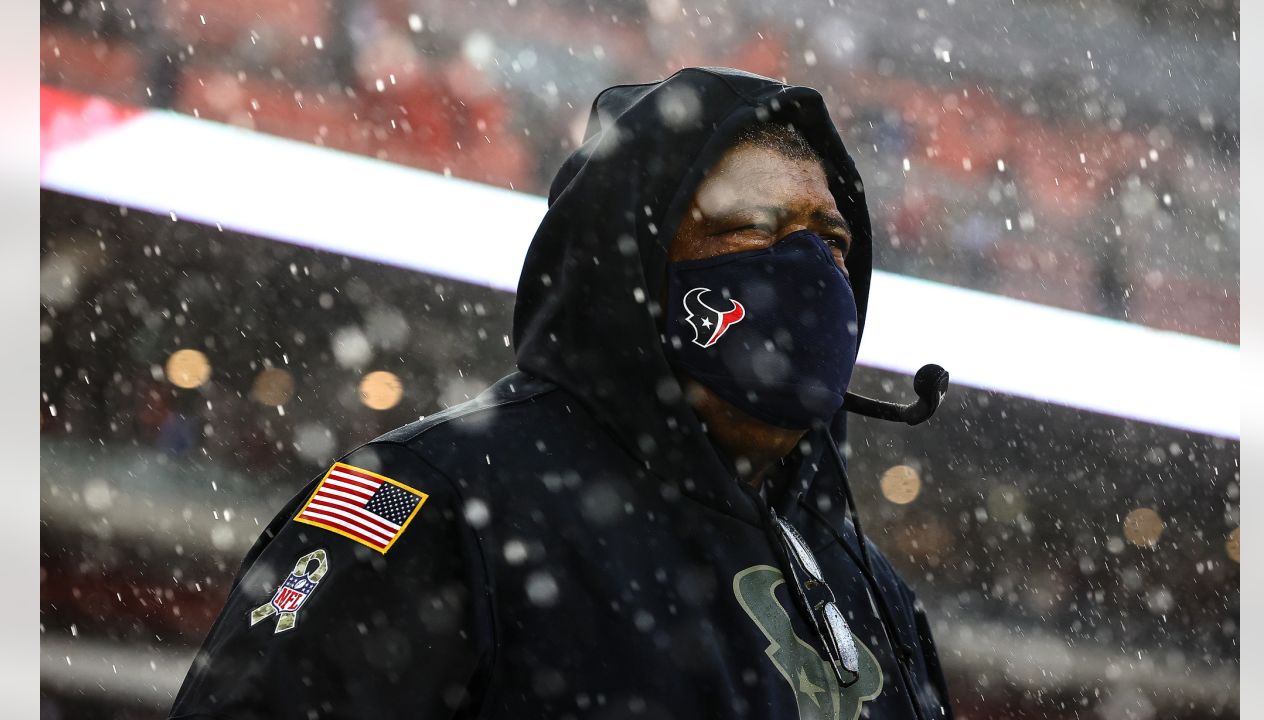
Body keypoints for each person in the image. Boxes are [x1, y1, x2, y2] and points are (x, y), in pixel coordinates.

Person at [168, 67, 953, 720]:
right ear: (634, 263)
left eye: (832, 240)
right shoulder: (433, 500)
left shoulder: (872, 592)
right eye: (755, 227)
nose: (812, 271)